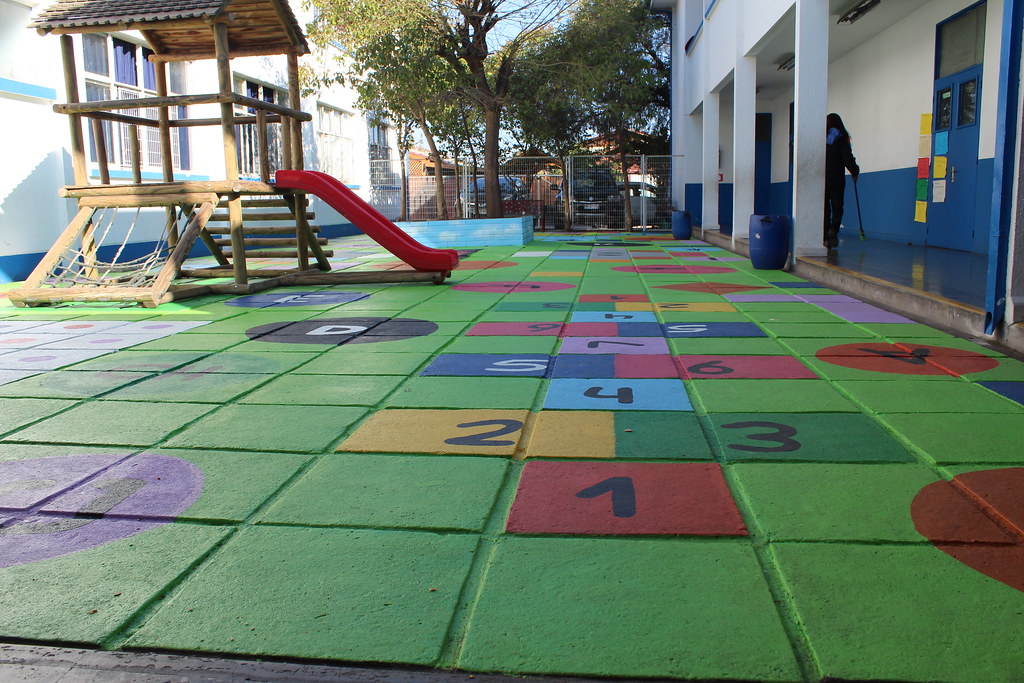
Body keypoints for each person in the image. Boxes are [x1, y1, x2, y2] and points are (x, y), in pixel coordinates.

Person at [825, 113, 859, 250]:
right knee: (838, 206)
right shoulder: (842, 138)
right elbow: (847, 157)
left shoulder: (821, 138)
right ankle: (834, 229)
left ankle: (825, 236)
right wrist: (854, 171)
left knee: (825, 209)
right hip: (837, 178)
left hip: (823, 178)